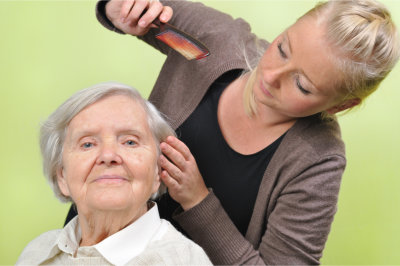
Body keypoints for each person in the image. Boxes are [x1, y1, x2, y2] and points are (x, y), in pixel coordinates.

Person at [65, 0, 399, 264]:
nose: (270, 76)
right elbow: (127, 6)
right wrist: (122, 11)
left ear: (339, 105)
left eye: (301, 84)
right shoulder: (213, 46)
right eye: (283, 47)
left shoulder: (317, 162)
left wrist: (197, 201)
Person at [17, 82, 212, 265]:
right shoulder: (35, 254)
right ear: (62, 177)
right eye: (87, 144)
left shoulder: (185, 260)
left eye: (130, 142)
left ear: (158, 172)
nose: (108, 155)